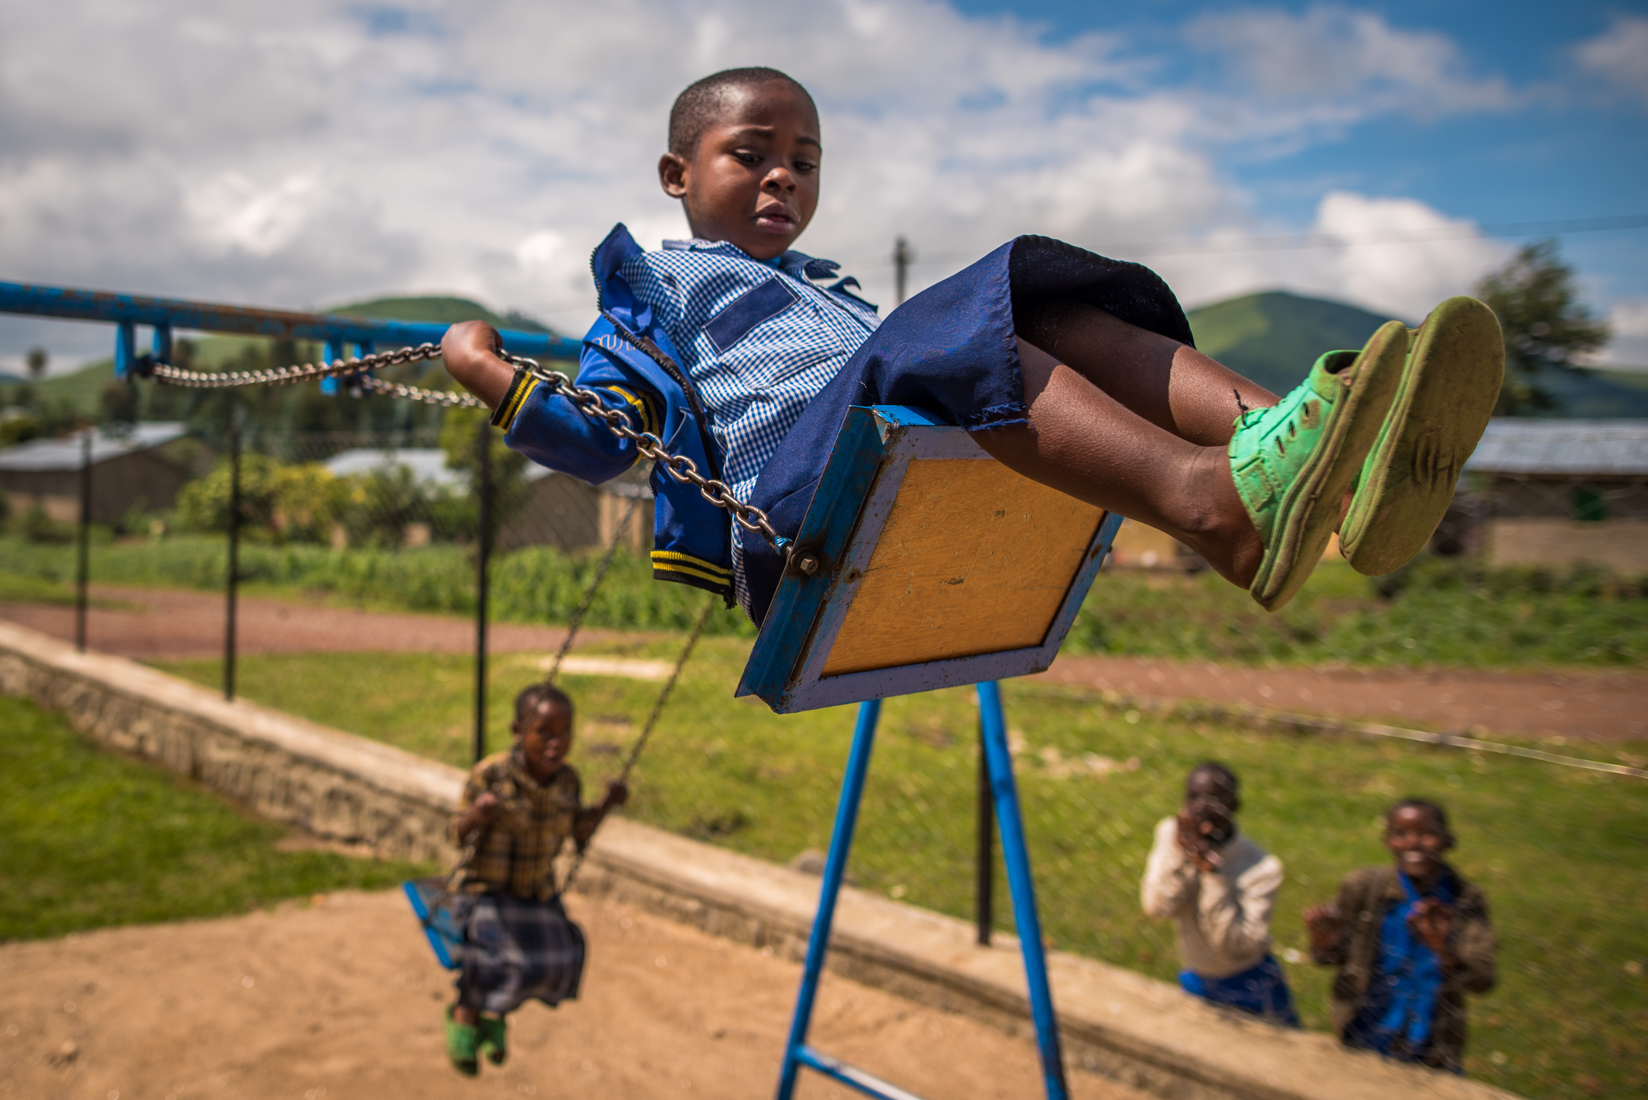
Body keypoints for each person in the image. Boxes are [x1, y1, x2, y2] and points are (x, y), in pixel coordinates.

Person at [441, 67, 1504, 626]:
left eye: (804, 160)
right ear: (677, 175)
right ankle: (1207, 500)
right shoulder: (656, 291)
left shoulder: (827, 290)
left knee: (1048, 308)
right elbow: (599, 443)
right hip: (788, 510)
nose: (783, 177)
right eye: (750, 155)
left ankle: (1314, 453)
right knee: (954, 320)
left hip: (873, 450)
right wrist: (483, 370)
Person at [442, 682, 628, 1076]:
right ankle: (464, 1015)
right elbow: (455, 834)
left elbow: (579, 833)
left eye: (564, 733)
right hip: (485, 891)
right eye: (544, 732)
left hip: (535, 891)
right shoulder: (492, 774)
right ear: (518, 731)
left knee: (559, 958)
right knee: (492, 954)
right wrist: (477, 814)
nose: (555, 744)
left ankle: (495, 1014)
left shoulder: (568, 780)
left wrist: (605, 806)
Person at [1303, 799, 1497, 1072]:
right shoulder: (1364, 887)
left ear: (1447, 840)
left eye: (1426, 833)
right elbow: (1333, 957)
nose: (1413, 843)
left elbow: (1482, 981)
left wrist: (1443, 949)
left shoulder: (1464, 900)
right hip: (1363, 1034)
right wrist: (1324, 942)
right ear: (1387, 841)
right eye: (1400, 833)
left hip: (1432, 1049)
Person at [1141, 762, 1299, 1025]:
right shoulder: (1171, 835)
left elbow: (1234, 945)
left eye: (1213, 801)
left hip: (1249, 982)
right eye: (1193, 797)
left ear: (1234, 806)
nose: (1200, 808)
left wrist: (1213, 874)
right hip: (1197, 976)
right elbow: (1156, 907)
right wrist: (1180, 853)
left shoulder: (1261, 868)